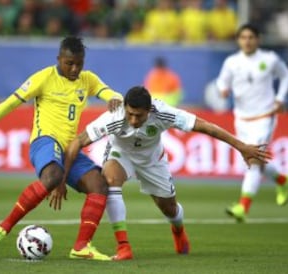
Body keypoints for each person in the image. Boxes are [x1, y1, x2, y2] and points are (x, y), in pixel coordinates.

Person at [51, 86, 271, 260]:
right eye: (130, 114)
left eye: (139, 116)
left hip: (152, 161)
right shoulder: (114, 116)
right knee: (109, 180)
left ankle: (178, 229)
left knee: (169, 208)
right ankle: (124, 247)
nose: (134, 120)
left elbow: (204, 126)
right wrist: (62, 179)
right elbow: (77, 143)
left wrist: (241, 146)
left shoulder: (163, 113)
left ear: (149, 110)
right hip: (121, 155)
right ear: (124, 108)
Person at [0, 36, 123, 261]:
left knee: (99, 185)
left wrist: (114, 98)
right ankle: (3, 228)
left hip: (68, 148)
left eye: (79, 64)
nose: (74, 69)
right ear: (59, 59)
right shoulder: (44, 78)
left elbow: (113, 93)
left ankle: (82, 247)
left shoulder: (87, 79)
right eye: (69, 63)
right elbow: (10, 103)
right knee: (53, 175)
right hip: (44, 141)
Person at [216, 23, 288, 222]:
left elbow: (285, 76)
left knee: (254, 162)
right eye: (243, 37)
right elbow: (221, 81)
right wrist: (223, 89)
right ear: (238, 40)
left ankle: (243, 206)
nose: (247, 41)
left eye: (251, 37)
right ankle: (283, 180)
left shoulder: (269, 59)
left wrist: (280, 98)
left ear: (258, 39)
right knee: (253, 158)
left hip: (265, 116)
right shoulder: (232, 62)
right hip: (242, 119)